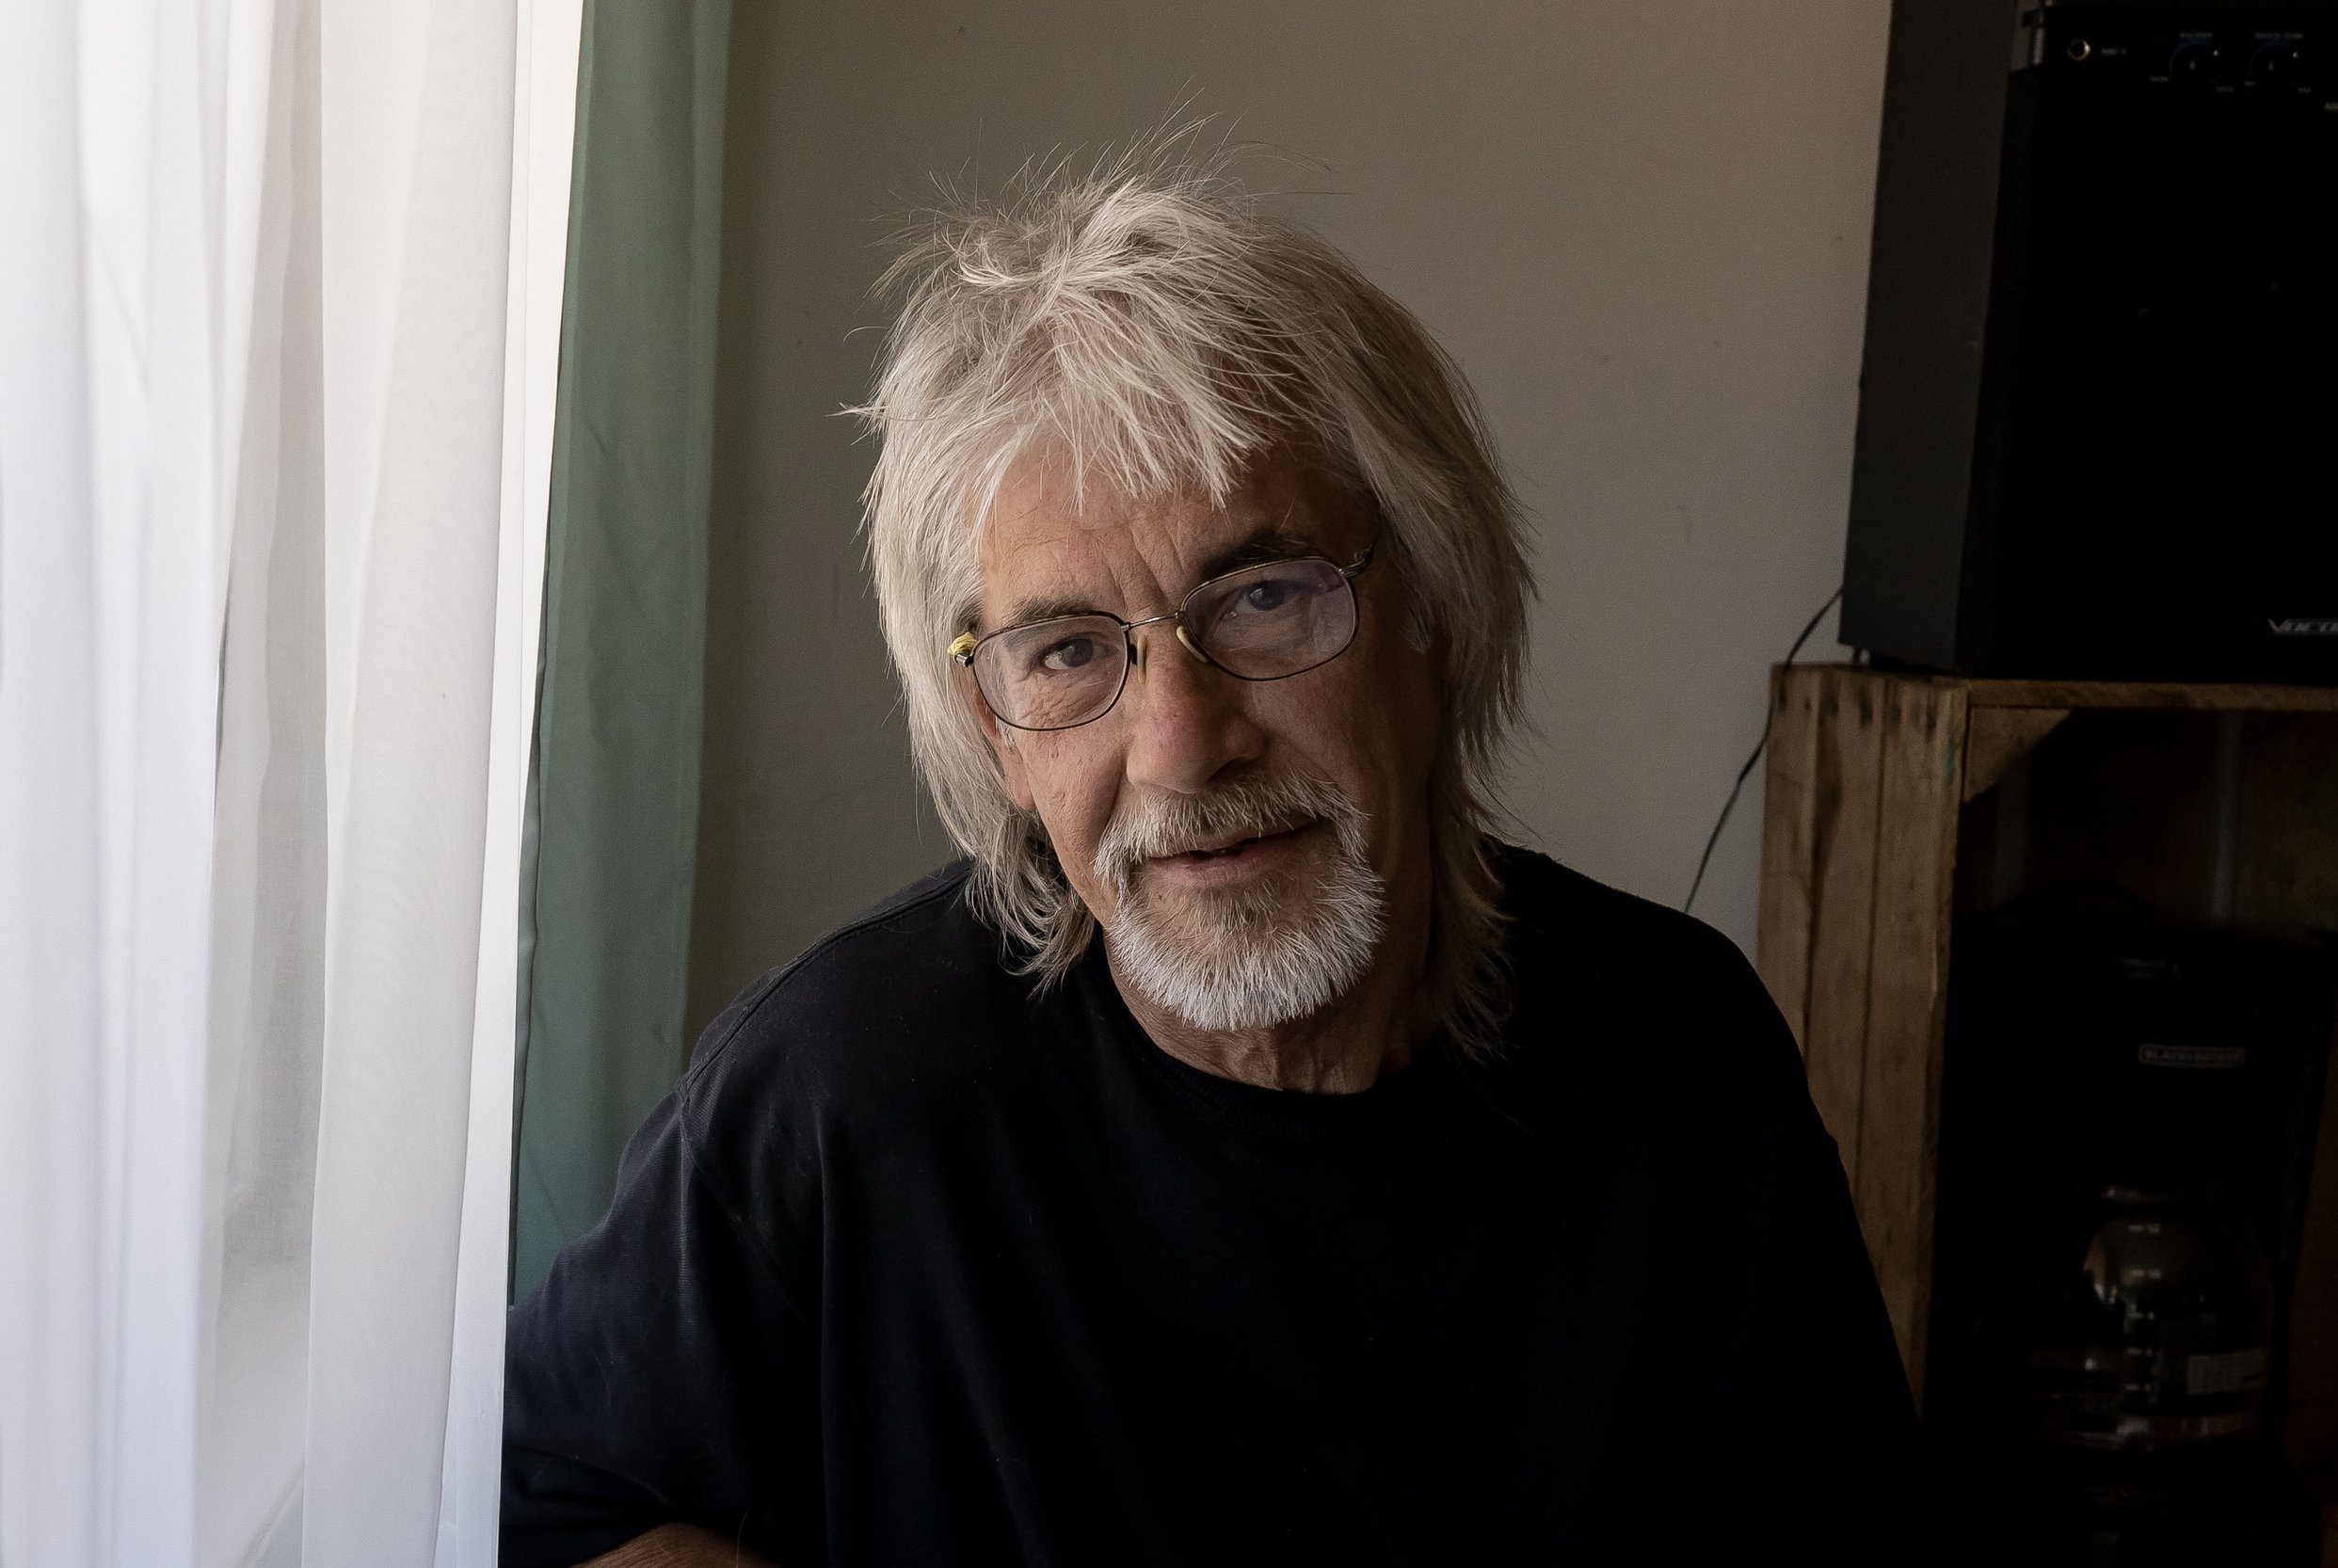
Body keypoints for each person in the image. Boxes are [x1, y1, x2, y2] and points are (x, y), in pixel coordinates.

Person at [500, 152, 1929, 1568]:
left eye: (1259, 598)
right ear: (1000, 736)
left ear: (1437, 606)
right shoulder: (847, 1090)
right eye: (1065, 650)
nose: (1183, 743)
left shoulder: (1681, 1061)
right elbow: (545, 1491)